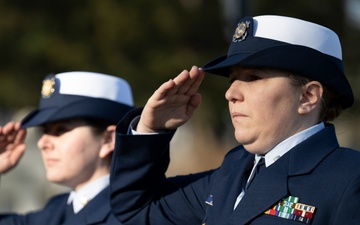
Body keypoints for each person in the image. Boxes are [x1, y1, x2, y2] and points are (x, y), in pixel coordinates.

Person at [109, 15, 360, 225]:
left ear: (308, 96)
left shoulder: (350, 179)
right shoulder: (235, 169)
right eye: (232, 79)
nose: (230, 93)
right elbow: (137, 209)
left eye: (253, 77)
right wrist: (151, 130)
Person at [0, 71, 134, 225]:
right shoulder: (54, 211)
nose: (42, 143)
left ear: (108, 139)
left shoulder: (137, 213)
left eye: (61, 130)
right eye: (45, 131)